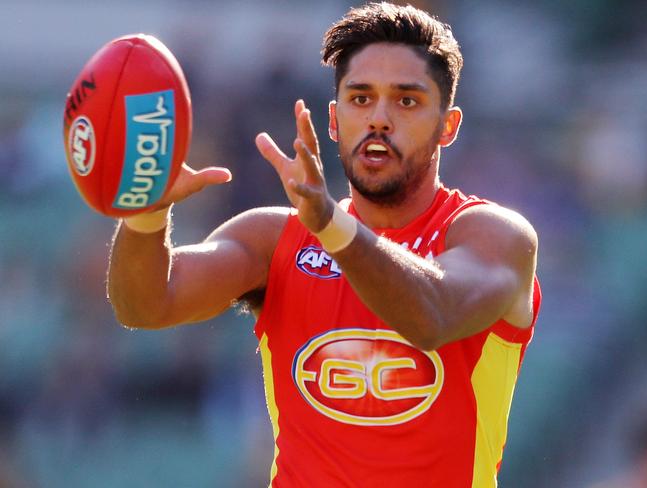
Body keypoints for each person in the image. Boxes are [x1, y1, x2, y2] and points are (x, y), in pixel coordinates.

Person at [107, 3, 541, 486]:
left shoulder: (495, 235)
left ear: (448, 126)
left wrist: (332, 226)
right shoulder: (277, 238)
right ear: (334, 120)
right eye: (360, 98)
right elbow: (145, 305)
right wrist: (147, 209)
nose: (379, 118)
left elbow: (432, 317)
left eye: (406, 101)